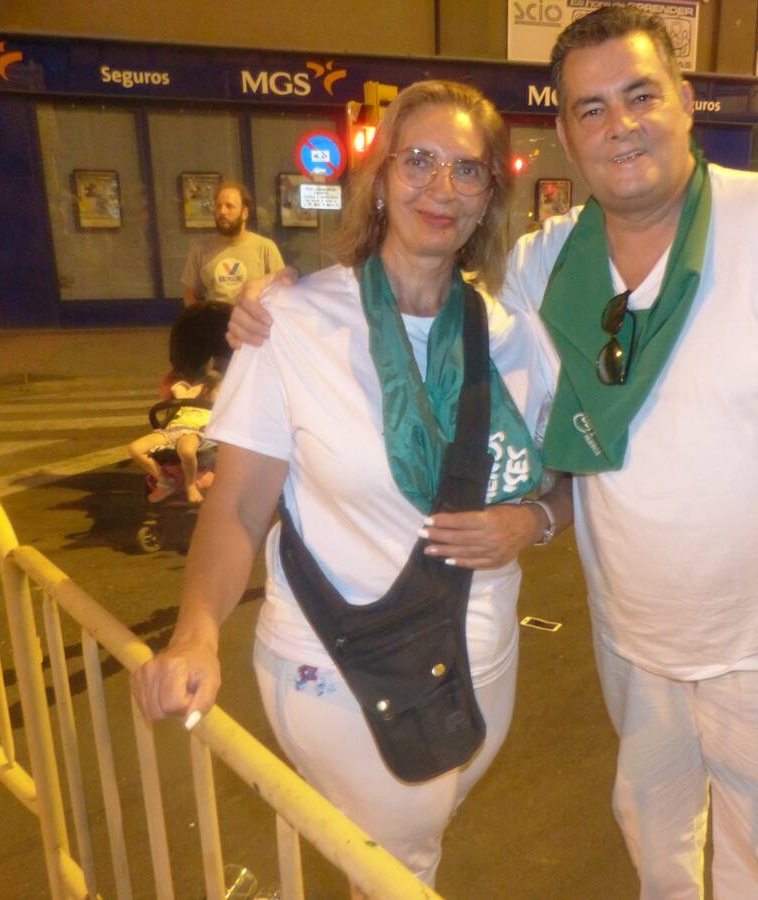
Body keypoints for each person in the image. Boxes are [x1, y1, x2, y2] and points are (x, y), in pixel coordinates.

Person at [231, 9, 758, 897]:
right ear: (566, 136)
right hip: (635, 631)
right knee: (654, 835)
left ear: (685, 103)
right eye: (592, 109)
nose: (621, 126)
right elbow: (426, 287)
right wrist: (285, 292)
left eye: (641, 97)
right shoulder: (549, 263)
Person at [133, 80, 572, 890]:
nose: (441, 187)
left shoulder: (515, 339)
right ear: (380, 177)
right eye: (420, 160)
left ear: (489, 197)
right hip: (340, 662)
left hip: (482, 658)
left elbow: (569, 483)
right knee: (401, 869)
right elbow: (236, 504)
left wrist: (533, 522)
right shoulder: (294, 323)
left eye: (467, 170)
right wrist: (195, 633)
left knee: (403, 850)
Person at [180, 181, 284, 307]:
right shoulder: (200, 249)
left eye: (229, 206)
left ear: (244, 213)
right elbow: (189, 292)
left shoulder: (265, 248)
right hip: (216, 318)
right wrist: (198, 316)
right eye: (218, 206)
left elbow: (282, 290)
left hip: (253, 318)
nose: (222, 211)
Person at [128, 369, 221, 503]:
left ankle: (190, 484)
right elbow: (171, 393)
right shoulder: (191, 395)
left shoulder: (215, 402)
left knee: (187, 451)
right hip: (173, 429)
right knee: (135, 448)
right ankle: (166, 481)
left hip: (195, 430)